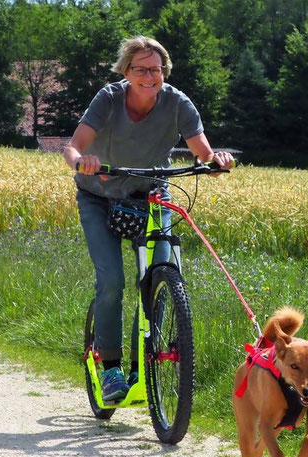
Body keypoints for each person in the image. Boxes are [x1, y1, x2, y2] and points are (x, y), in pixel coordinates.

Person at [63, 36, 234, 402]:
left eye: (156, 69)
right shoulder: (109, 99)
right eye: (140, 69)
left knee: (166, 270)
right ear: (126, 71)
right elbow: (73, 146)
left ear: (164, 72)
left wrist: (216, 162)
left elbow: (202, 152)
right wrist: (82, 161)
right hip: (99, 195)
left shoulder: (177, 103)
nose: (149, 76)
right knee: (111, 280)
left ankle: (154, 347)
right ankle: (110, 368)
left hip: (152, 194)